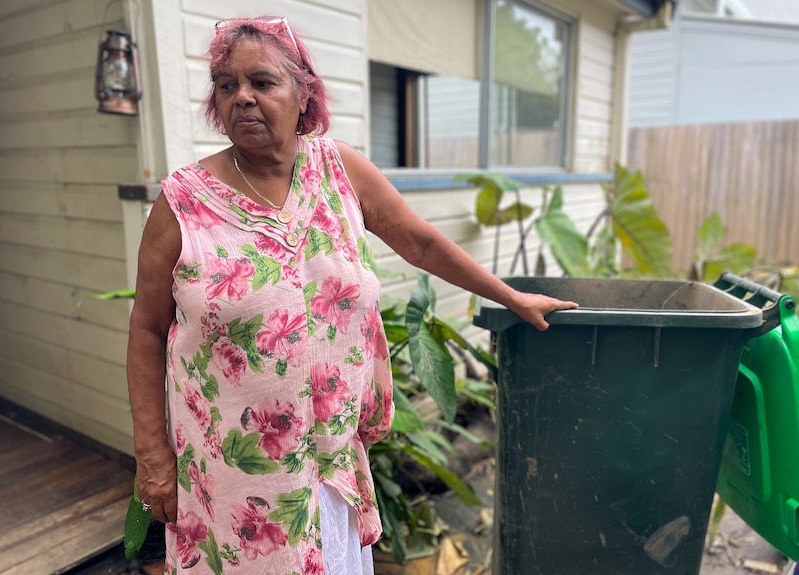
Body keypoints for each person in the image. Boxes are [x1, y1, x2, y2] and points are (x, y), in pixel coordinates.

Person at [126, 16, 578, 575]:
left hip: (329, 464)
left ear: (303, 94)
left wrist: (512, 297)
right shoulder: (182, 203)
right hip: (230, 478)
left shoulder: (339, 170)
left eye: (262, 83)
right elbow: (147, 329)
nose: (241, 97)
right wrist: (152, 457)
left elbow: (421, 242)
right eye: (226, 84)